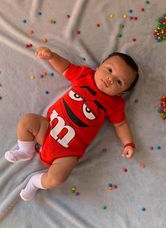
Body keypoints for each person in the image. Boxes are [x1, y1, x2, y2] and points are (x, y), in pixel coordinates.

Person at [5, 47, 139, 201]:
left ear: (121, 93)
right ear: (100, 65)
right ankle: (25, 150)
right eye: (109, 70)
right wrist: (52, 56)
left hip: (67, 152)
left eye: (119, 81)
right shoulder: (85, 76)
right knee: (27, 121)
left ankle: (35, 182)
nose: (110, 78)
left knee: (58, 178)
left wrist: (128, 143)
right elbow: (66, 68)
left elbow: (121, 124)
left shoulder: (114, 104)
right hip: (48, 128)